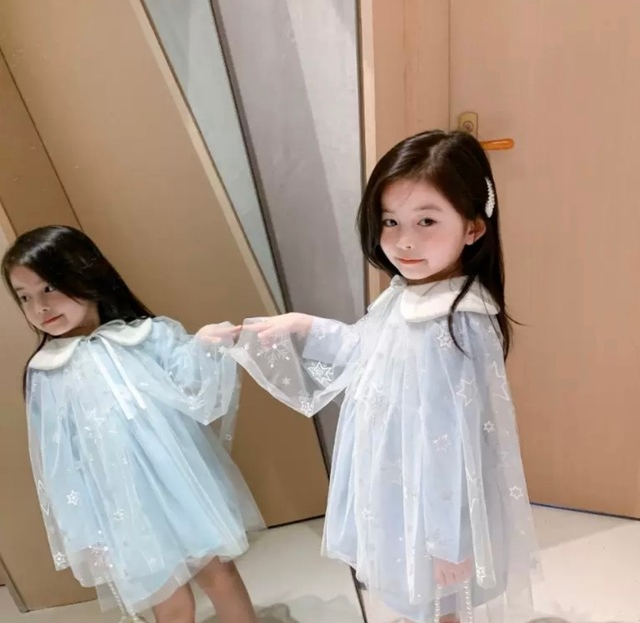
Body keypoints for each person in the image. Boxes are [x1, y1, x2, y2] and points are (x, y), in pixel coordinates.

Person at [230, 130, 539, 622]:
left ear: (473, 228)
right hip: (400, 479)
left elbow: (448, 440)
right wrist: (304, 326)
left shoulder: (452, 320)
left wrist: (446, 539)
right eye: (390, 220)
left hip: (434, 500)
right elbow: (364, 348)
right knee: (423, 599)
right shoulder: (407, 295)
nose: (403, 240)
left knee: (439, 600)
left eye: (427, 221)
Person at [2, 225, 262, 623]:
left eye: (49, 288)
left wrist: (205, 345)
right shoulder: (47, 372)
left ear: (86, 273)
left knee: (219, 575)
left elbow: (190, 384)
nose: (39, 307)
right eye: (24, 296)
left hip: (183, 487)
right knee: (169, 601)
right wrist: (81, 528)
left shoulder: (146, 336)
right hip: (122, 506)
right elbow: (57, 461)